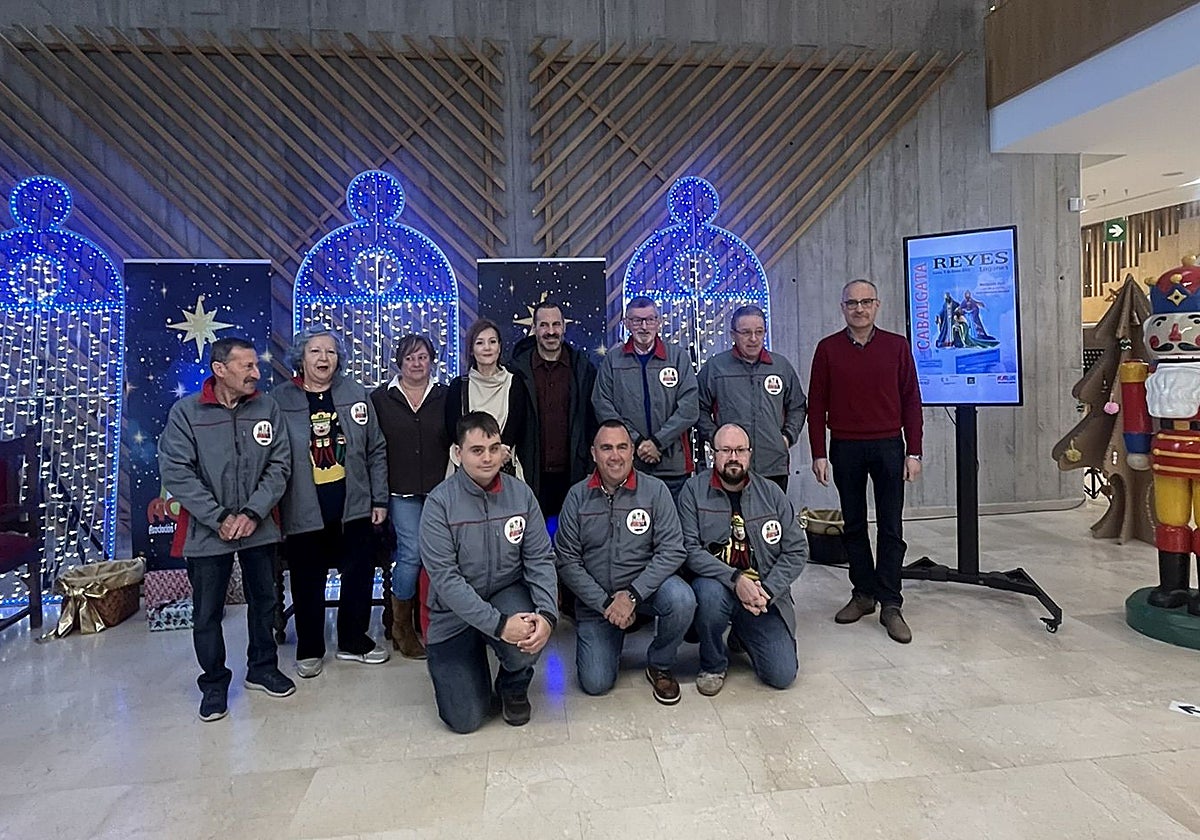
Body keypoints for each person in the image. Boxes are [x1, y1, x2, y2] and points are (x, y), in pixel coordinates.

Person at [158, 337, 294, 721]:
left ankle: (262, 668)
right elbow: (177, 472)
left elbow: (280, 464)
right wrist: (218, 517)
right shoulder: (186, 413)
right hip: (207, 530)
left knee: (264, 600)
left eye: (255, 365)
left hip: (258, 525)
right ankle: (214, 684)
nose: (256, 373)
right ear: (220, 369)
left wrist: (252, 513)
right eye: (246, 366)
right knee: (207, 612)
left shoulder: (267, 408)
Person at [419, 411, 558, 733]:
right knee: (465, 720)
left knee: (528, 635)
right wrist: (498, 625)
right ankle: (471, 661)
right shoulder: (439, 504)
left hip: (504, 593)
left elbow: (540, 558)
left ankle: (513, 684)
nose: (487, 458)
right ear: (458, 453)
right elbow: (447, 580)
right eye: (477, 450)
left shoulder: (521, 495)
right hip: (452, 611)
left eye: (494, 448)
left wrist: (548, 615)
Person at [808, 279, 924, 644]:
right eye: (852, 303)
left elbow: (912, 400)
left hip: (888, 446)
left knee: (891, 527)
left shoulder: (897, 346)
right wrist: (818, 453)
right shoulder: (827, 349)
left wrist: (914, 451)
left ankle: (891, 602)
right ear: (842, 308)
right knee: (854, 526)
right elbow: (816, 404)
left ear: (877, 305)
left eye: (866, 302)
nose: (859, 308)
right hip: (846, 447)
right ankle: (862, 594)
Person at [275, 327, 390, 678]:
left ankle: (353, 640)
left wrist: (379, 498)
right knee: (307, 580)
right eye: (315, 351)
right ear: (301, 358)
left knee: (358, 574)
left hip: (354, 505)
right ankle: (310, 647)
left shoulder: (355, 393)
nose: (324, 358)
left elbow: (376, 448)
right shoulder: (279, 400)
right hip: (303, 508)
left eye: (330, 352)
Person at [555, 420, 694, 704]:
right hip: (598, 602)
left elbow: (672, 550)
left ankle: (660, 664)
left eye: (622, 447)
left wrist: (631, 596)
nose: (615, 456)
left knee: (682, 599)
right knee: (595, 683)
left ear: (632, 451)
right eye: (606, 448)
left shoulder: (655, 491)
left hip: (645, 591)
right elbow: (567, 561)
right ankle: (610, 636)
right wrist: (606, 604)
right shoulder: (577, 496)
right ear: (594, 453)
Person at [678, 423, 806, 696]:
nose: (733, 457)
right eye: (725, 450)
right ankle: (713, 664)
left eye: (740, 450)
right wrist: (736, 580)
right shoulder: (693, 491)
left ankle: (743, 632)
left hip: (763, 594)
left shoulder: (771, 493)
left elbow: (796, 549)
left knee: (782, 675)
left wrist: (768, 590)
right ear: (713, 454)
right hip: (718, 587)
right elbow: (689, 549)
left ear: (750, 453)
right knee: (709, 594)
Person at [371, 333, 449, 659]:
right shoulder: (380, 399)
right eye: (409, 358)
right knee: (411, 553)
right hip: (399, 491)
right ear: (398, 363)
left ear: (432, 361)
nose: (416, 364)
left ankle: (434, 623)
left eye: (422, 357)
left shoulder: (446, 395)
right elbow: (373, 449)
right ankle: (400, 626)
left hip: (440, 491)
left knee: (440, 556)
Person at [592, 296, 699, 501]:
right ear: (626, 323)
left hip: (673, 467)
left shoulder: (678, 358)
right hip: (628, 465)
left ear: (659, 322)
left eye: (650, 320)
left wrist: (658, 442)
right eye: (637, 320)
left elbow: (689, 408)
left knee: (672, 520)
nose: (644, 327)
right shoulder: (613, 361)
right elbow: (603, 405)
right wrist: (637, 442)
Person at [697, 304, 807, 492]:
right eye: (746, 332)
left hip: (773, 464)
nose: (753, 339)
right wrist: (716, 437)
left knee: (772, 512)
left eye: (759, 332)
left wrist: (786, 437)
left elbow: (798, 406)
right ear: (733, 335)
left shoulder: (780, 367)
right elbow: (698, 408)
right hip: (731, 466)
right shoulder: (716, 367)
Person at [509, 298, 598, 518]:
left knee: (572, 536)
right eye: (544, 325)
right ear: (534, 329)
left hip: (574, 475)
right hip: (530, 474)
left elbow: (592, 422)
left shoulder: (583, 369)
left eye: (556, 324)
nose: (551, 331)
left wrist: (589, 466)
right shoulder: (516, 372)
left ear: (564, 327)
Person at [446, 318, 532, 482]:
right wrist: (477, 455)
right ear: (471, 350)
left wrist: (498, 454)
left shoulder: (514, 382)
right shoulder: (459, 386)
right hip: (466, 470)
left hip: (504, 467)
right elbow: (453, 428)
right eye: (480, 343)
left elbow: (517, 425)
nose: (487, 348)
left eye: (492, 342)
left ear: (499, 347)